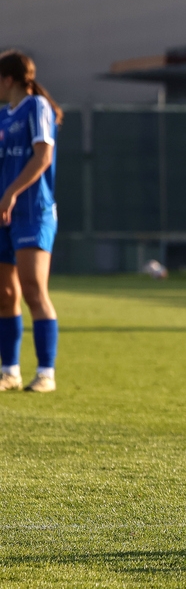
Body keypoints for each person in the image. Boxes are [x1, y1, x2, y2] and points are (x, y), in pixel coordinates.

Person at [0, 51, 61, 393]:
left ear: (7, 79)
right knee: (5, 293)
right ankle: (10, 371)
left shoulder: (36, 108)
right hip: (4, 213)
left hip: (32, 211)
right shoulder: (2, 118)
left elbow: (43, 156)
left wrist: (11, 192)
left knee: (33, 289)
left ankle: (46, 373)